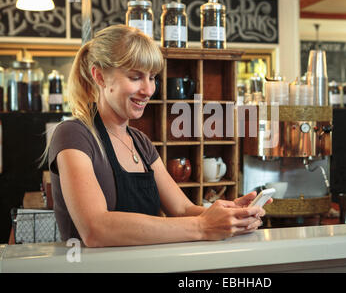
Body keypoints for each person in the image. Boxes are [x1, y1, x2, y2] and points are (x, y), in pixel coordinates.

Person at [46, 24, 269, 248]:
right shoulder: (74, 135)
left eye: (152, 78)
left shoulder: (140, 143)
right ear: (100, 77)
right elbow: (96, 229)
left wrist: (230, 215)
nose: (148, 90)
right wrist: (203, 226)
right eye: (135, 77)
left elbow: (183, 210)